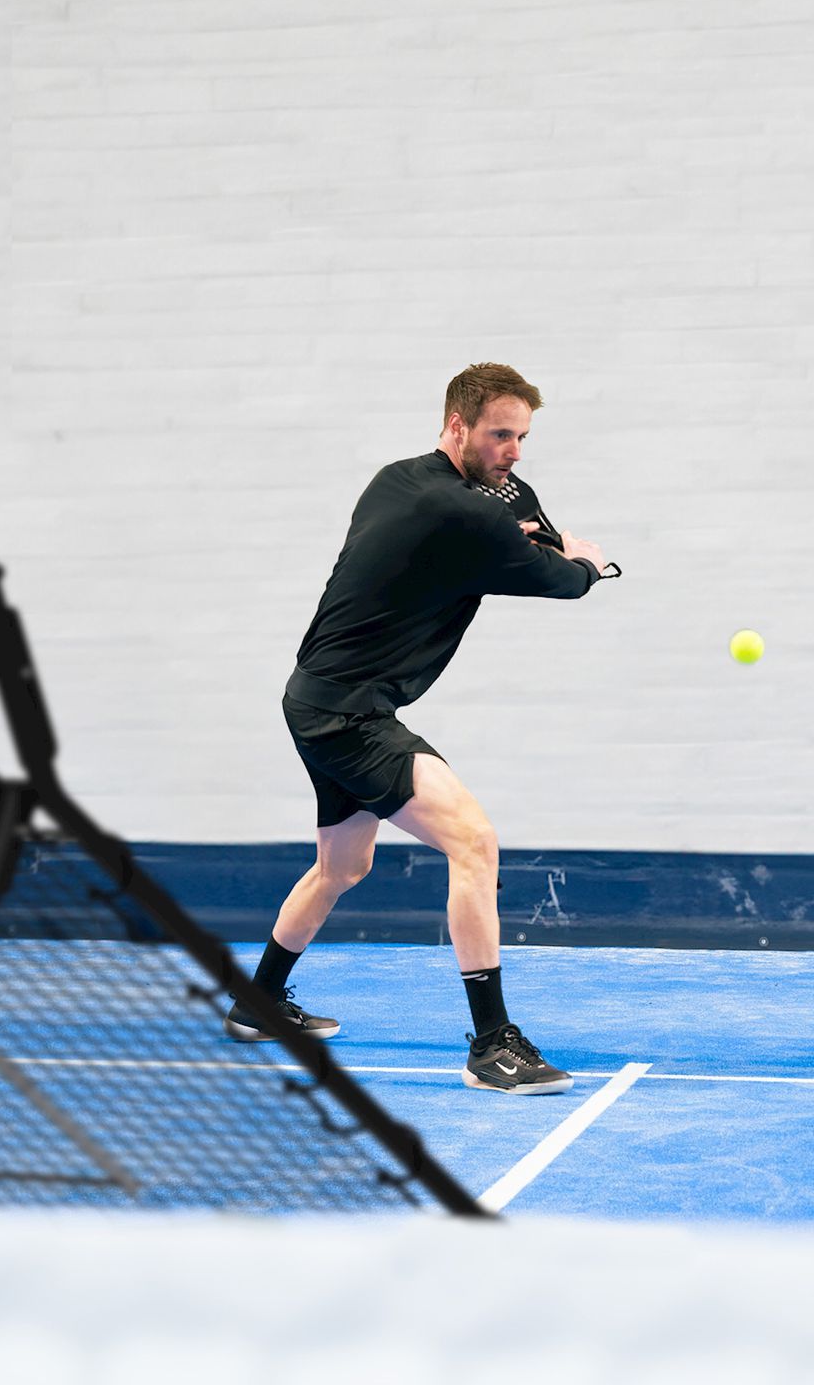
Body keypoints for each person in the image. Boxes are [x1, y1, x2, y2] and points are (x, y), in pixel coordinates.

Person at [225, 363, 610, 1094]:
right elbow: (558, 576)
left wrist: (538, 538)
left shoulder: (397, 478)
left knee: (343, 867)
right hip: (348, 714)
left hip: (317, 698)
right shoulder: (459, 513)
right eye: (501, 434)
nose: (516, 451)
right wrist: (587, 563)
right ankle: (493, 1046)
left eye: (523, 436)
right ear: (457, 426)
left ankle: (258, 1002)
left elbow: (527, 520)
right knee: (473, 842)